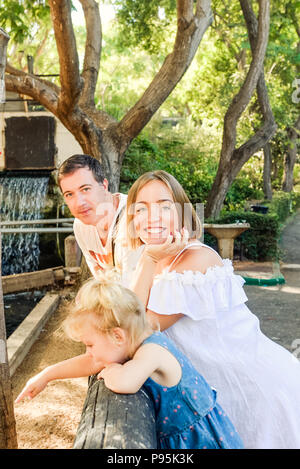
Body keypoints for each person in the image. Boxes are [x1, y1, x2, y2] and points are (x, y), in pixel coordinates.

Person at [125, 169, 300, 450]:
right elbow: (125, 315)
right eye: (141, 208)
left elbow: (131, 331)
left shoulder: (195, 260)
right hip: (223, 394)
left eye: (164, 206)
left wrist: (147, 260)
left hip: (259, 391)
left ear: (182, 213)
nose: (152, 217)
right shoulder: (157, 257)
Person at [15, 272, 243, 450]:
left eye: (90, 344)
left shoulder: (152, 351)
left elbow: (124, 383)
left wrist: (112, 370)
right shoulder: (134, 339)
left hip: (200, 442)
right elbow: (92, 362)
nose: (89, 351)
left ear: (117, 336)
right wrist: (46, 375)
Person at [57, 154, 187, 286]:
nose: (79, 203)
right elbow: (101, 279)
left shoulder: (135, 218)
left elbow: (136, 292)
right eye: (69, 194)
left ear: (104, 185)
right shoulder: (80, 225)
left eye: (85, 189)